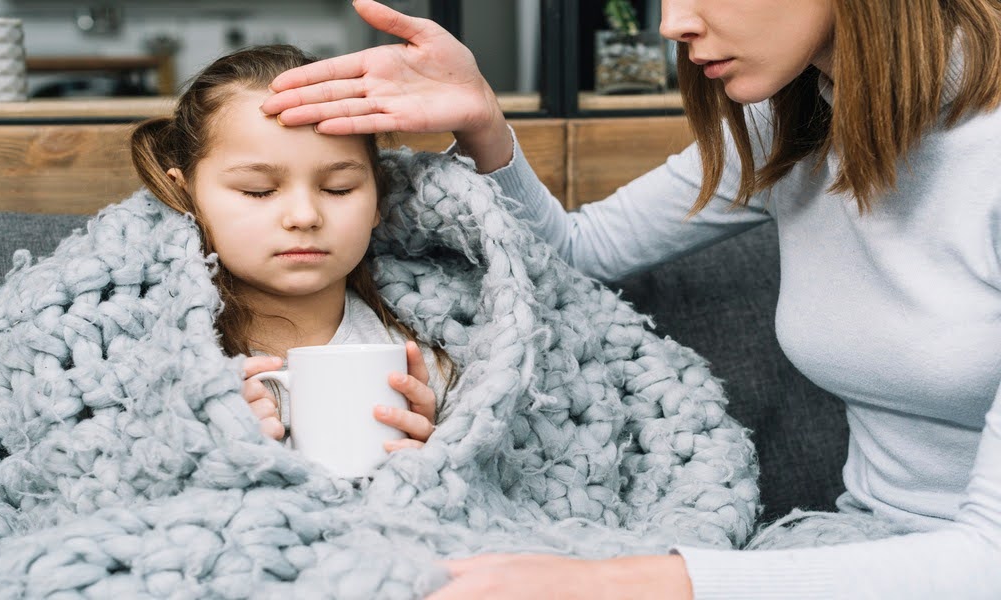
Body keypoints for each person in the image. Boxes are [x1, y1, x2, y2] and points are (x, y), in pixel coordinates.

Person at [259, 0, 1001, 598]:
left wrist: (629, 582)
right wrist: (480, 119)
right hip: (859, 549)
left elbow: (988, 560)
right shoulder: (792, 124)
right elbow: (580, 255)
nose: (672, 22)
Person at [130, 44, 451, 453]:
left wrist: (439, 451)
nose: (304, 216)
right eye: (259, 191)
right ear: (187, 195)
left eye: (339, 189)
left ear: (378, 200)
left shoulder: (421, 367)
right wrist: (197, 452)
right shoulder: (152, 359)